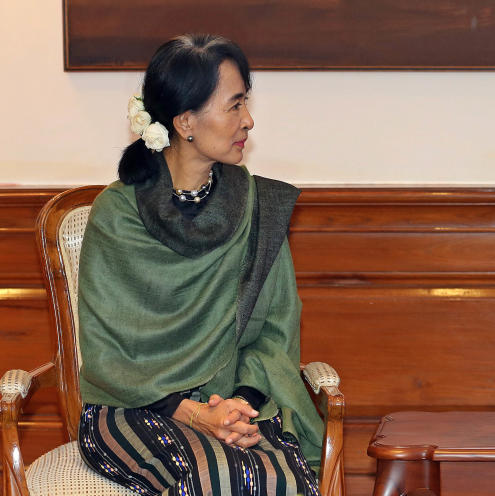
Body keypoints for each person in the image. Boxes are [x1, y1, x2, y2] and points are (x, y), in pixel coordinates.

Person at [76, 34, 323, 495]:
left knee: (279, 478)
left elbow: (275, 330)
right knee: (225, 475)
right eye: (233, 106)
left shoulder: (256, 206)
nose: (248, 120)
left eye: (245, 102)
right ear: (186, 121)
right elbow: (107, 354)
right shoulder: (118, 214)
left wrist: (237, 405)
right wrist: (193, 413)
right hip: (133, 408)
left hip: (237, 400)